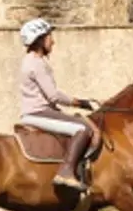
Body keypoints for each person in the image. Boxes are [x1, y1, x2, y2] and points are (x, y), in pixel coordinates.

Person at [17, 19, 100, 192]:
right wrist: (81, 103)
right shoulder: (36, 63)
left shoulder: (33, 61)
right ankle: (66, 172)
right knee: (83, 129)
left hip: (40, 111)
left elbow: (53, 92)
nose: (52, 41)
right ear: (40, 40)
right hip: (38, 113)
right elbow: (53, 96)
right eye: (49, 37)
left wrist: (81, 102)